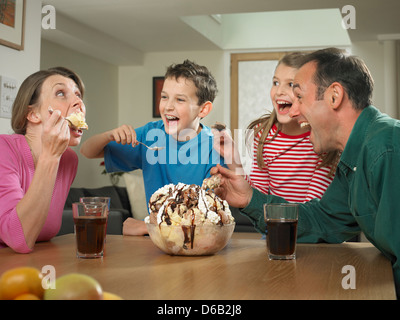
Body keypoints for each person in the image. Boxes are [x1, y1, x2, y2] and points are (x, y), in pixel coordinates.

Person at [211, 47, 400, 296]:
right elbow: (323, 220)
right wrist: (249, 199)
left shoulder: (386, 149)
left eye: (300, 97)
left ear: (334, 96)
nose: (295, 110)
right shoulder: (354, 157)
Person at [80, 60, 224, 236]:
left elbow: (206, 217)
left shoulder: (216, 146)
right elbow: (87, 151)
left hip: (199, 240)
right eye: (164, 97)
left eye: (179, 99)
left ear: (203, 109)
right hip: (157, 244)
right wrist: (109, 135)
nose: (168, 106)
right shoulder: (150, 135)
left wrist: (146, 226)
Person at [213, 52, 338, 203]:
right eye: (275, 83)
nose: (279, 91)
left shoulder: (322, 138)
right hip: (270, 222)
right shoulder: (262, 133)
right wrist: (233, 158)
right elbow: (256, 196)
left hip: (306, 223)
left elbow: (313, 208)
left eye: (291, 85)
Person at [0, 67, 86, 253]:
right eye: (61, 93)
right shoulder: (3, 150)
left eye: (78, 95)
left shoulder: (69, 160)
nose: (79, 102)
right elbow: (18, 239)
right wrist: (51, 156)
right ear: (33, 114)